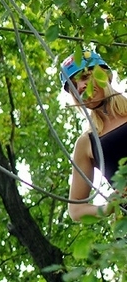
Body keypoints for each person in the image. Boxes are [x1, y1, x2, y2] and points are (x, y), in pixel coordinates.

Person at [61, 50, 127, 221]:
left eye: (85, 77)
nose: (80, 87)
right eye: (73, 87)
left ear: (104, 75)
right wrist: (106, 208)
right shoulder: (87, 142)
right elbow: (75, 209)